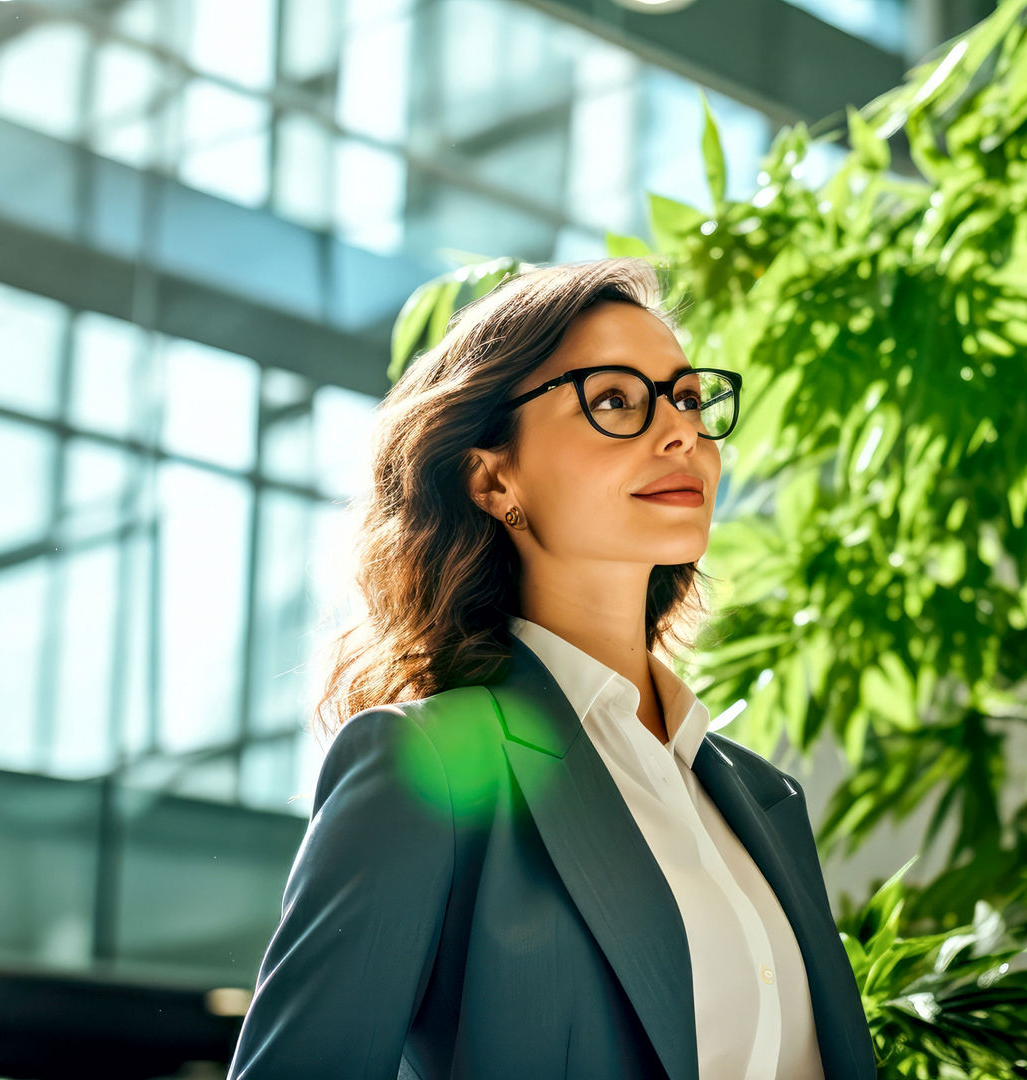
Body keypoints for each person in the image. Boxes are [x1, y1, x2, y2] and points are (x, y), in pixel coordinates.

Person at [225, 257, 877, 1080]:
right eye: (613, 401)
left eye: (686, 398)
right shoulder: (426, 765)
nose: (681, 432)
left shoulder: (760, 795)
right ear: (492, 475)